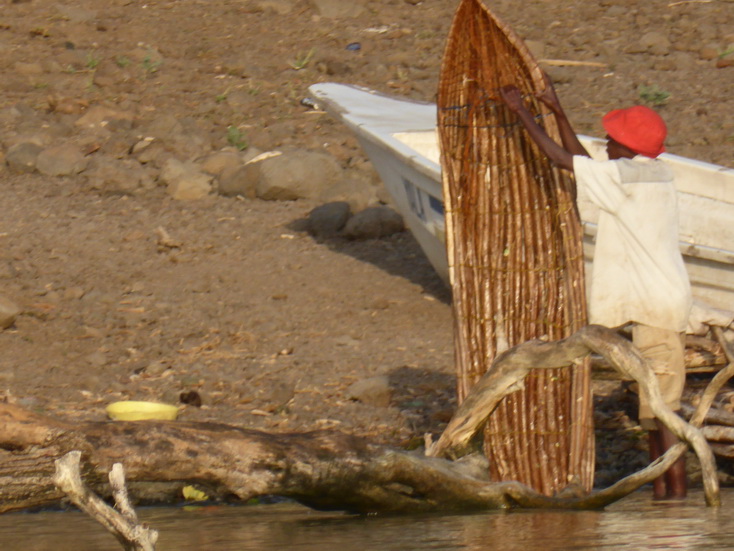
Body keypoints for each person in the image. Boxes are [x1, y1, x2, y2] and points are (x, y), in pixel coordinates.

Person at [499, 78, 692, 499]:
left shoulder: (628, 178)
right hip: (655, 303)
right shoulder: (653, 172)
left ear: (629, 148)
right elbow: (586, 161)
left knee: (666, 416)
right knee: (652, 415)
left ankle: (676, 500)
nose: (606, 141)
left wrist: (522, 114)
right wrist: (559, 111)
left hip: (656, 308)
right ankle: (665, 499)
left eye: (613, 138)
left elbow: (561, 159)